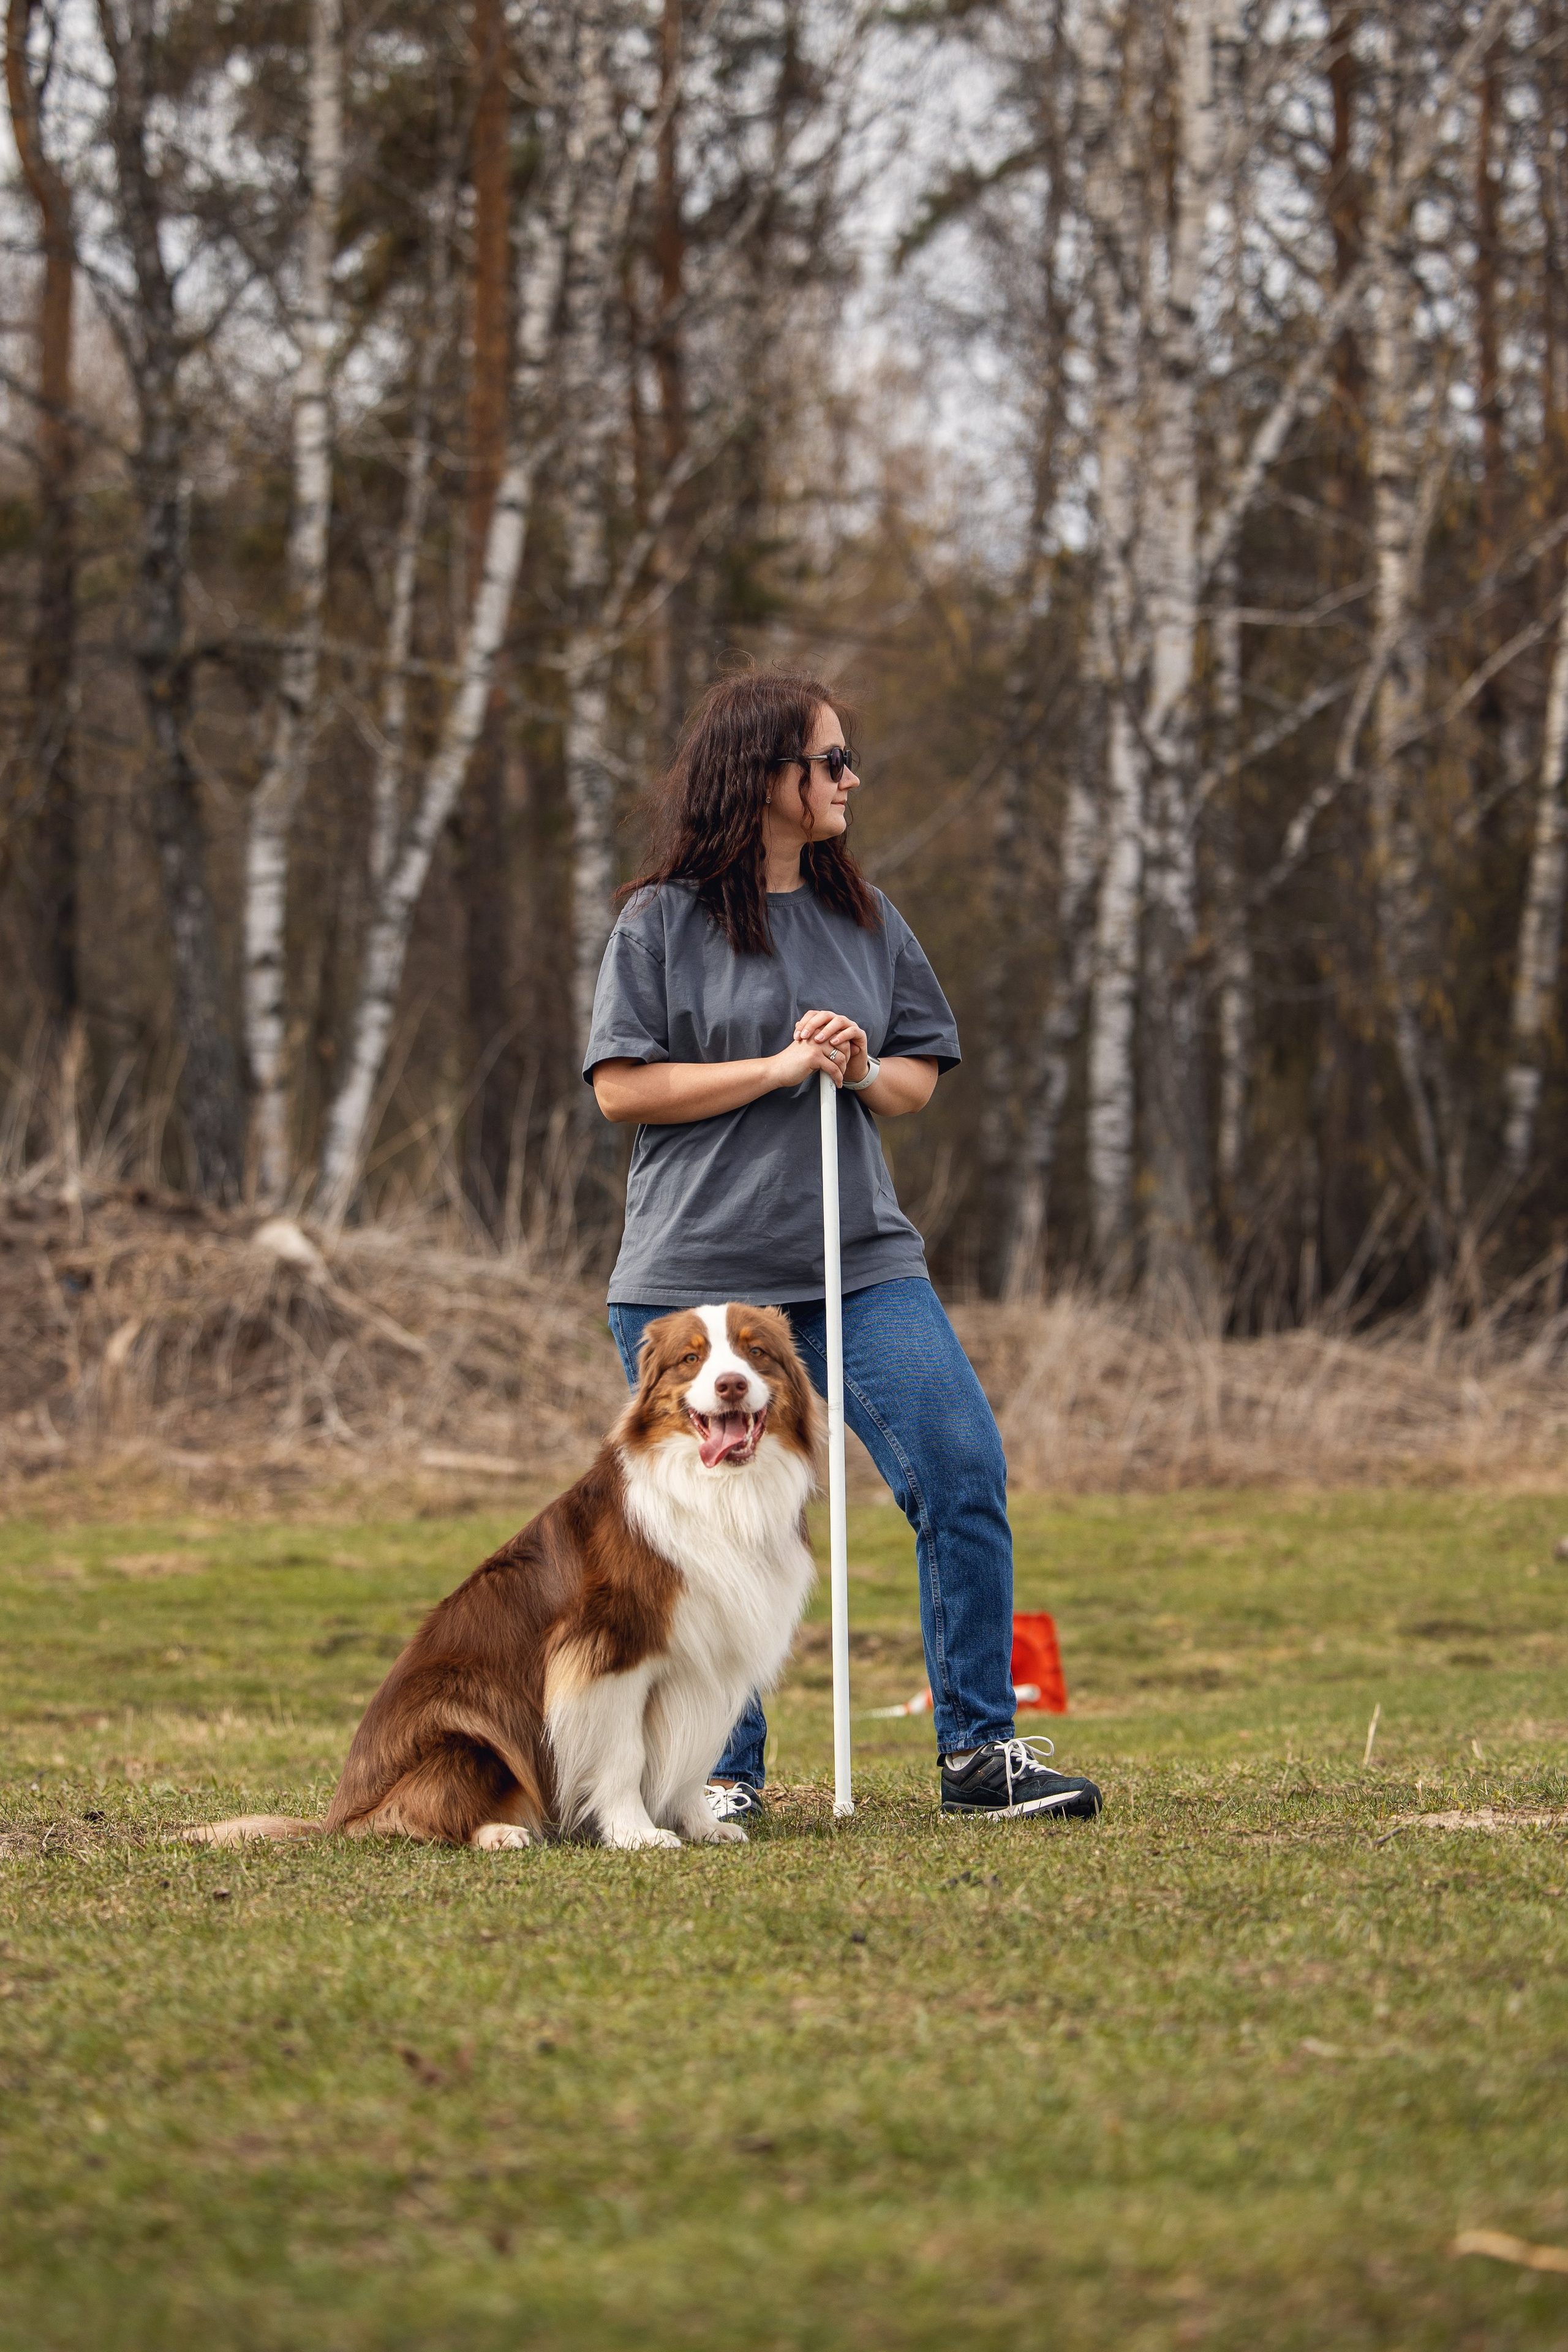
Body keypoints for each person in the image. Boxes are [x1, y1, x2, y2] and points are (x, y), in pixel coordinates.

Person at [583, 669, 1101, 1825]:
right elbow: (623, 1089)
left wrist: (859, 1065)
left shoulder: (870, 919)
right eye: (828, 761)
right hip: (697, 1284)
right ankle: (724, 1778)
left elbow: (916, 1078)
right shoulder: (659, 923)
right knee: (719, 1523)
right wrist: (773, 1068)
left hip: (858, 1265)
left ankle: (980, 1755)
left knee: (962, 1469)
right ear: (761, 775)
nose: (850, 779)